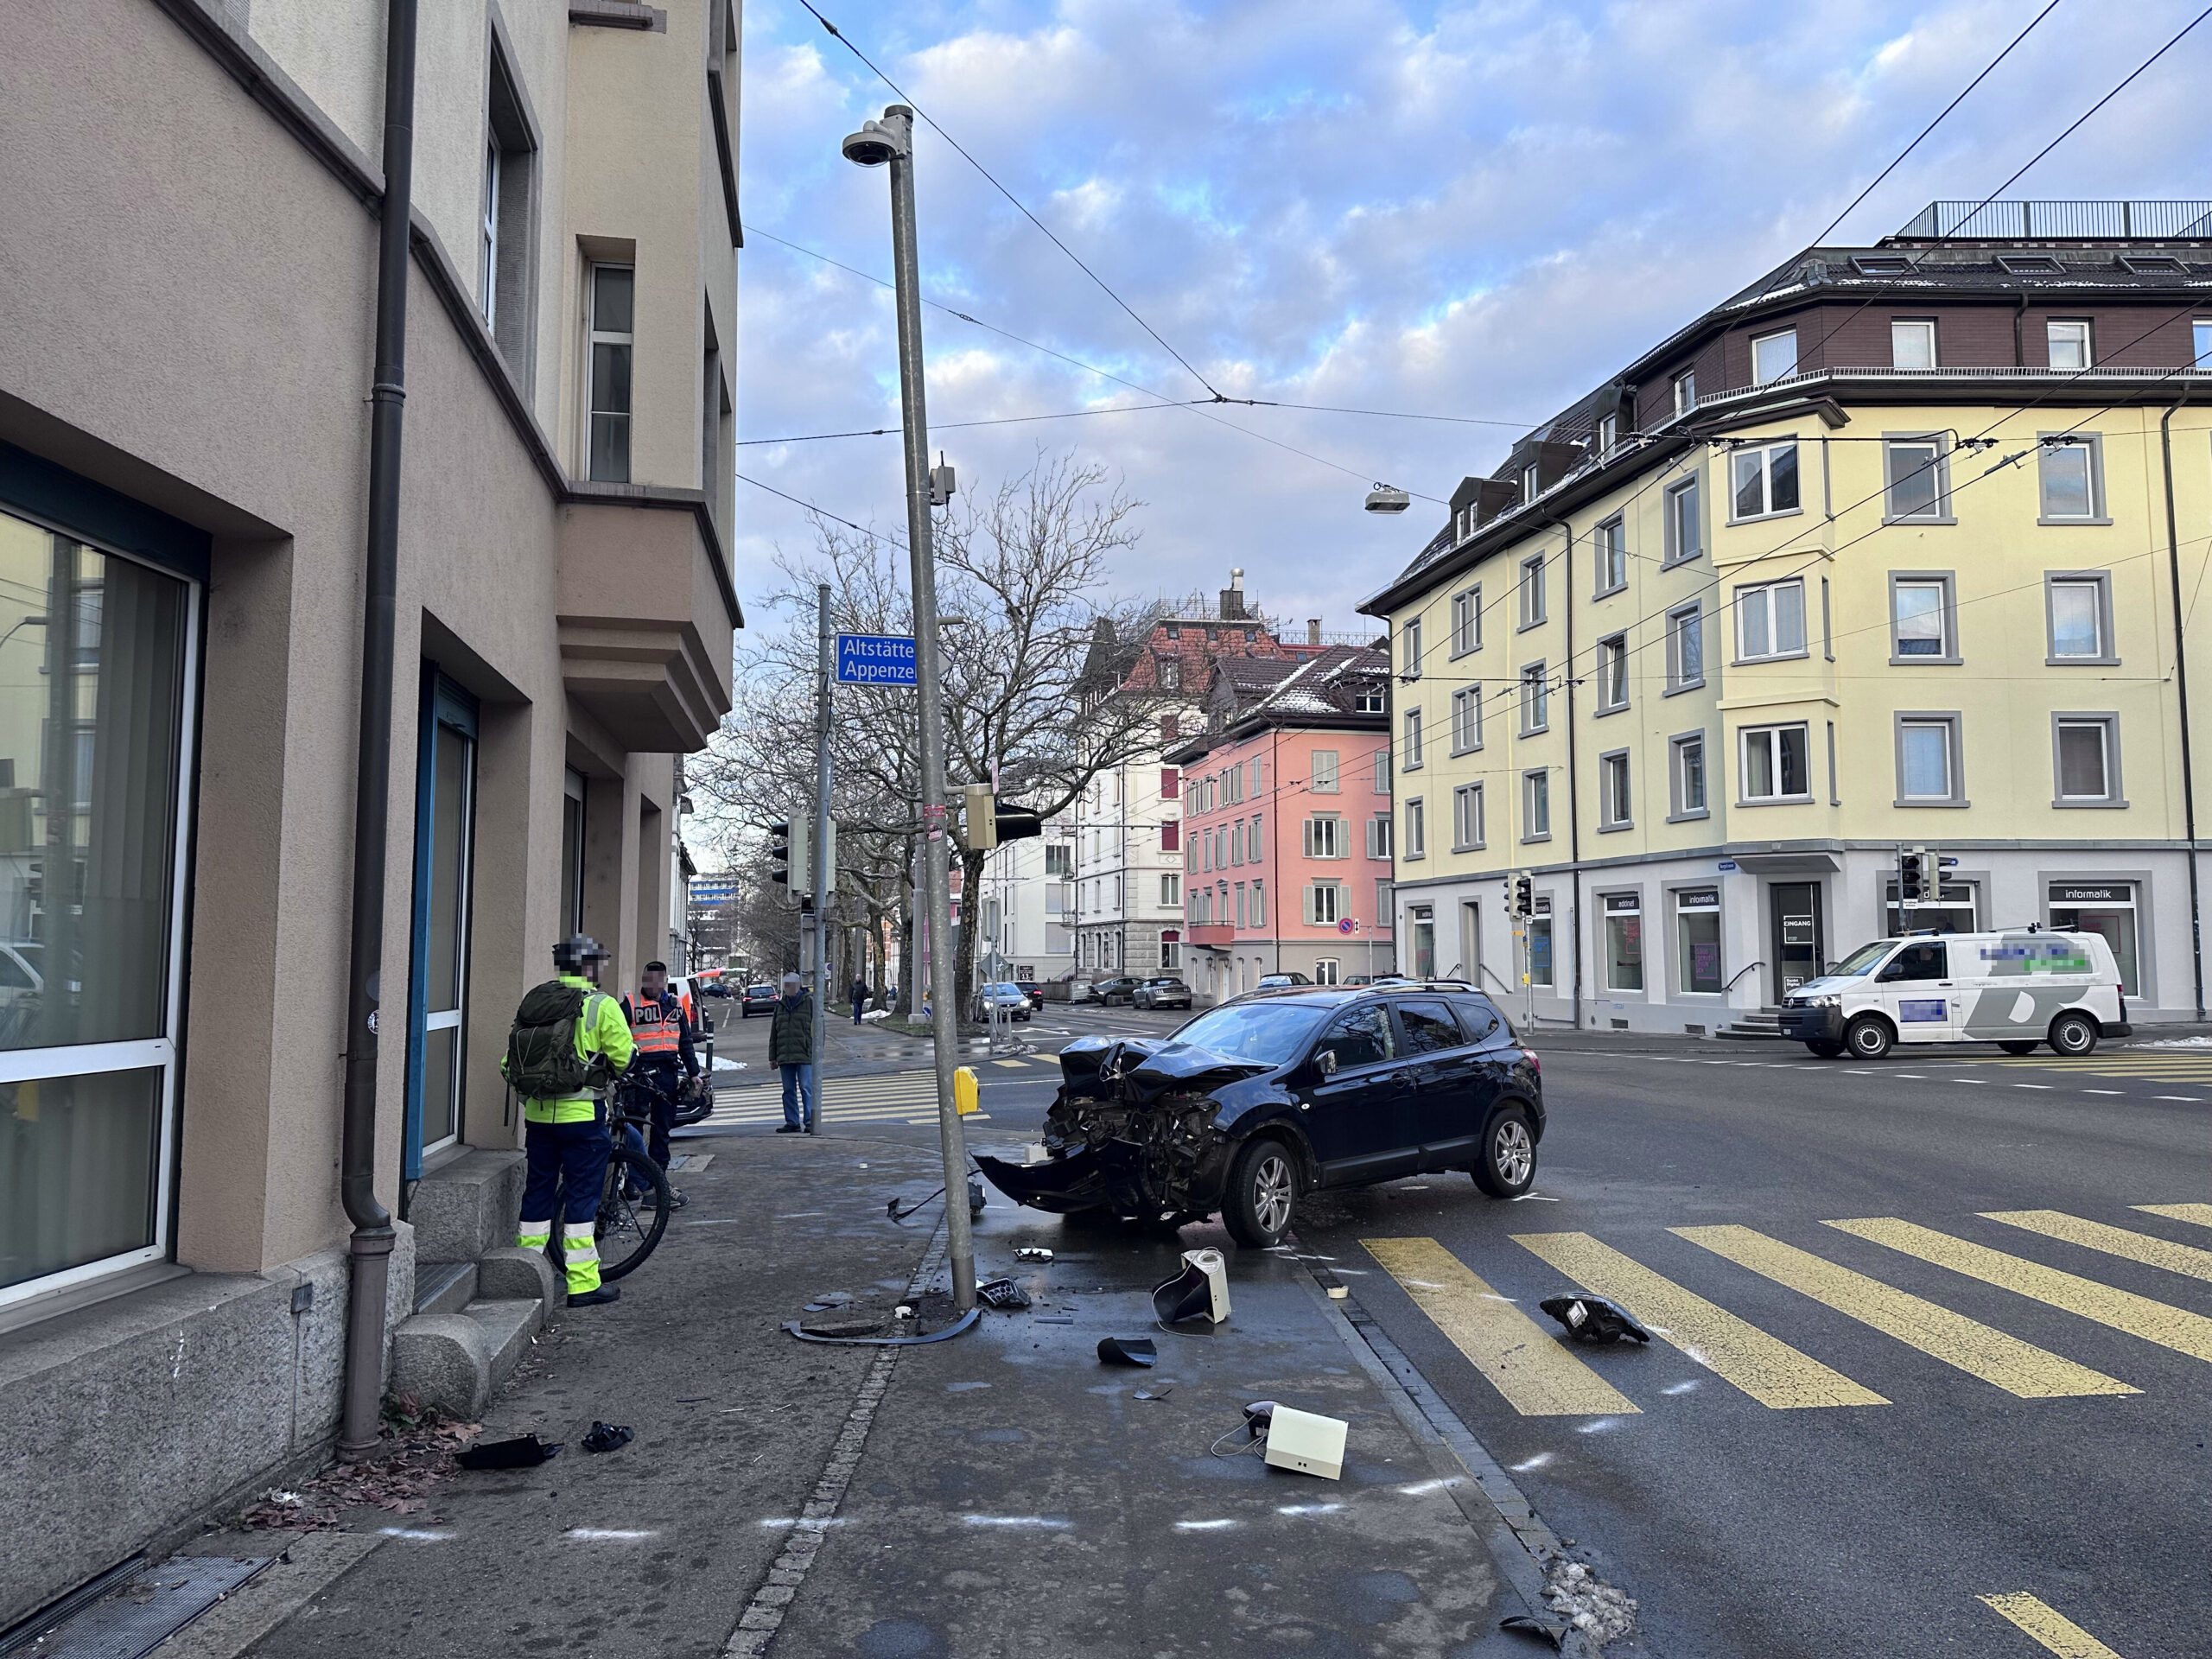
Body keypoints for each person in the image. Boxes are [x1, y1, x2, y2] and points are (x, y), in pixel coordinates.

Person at [505, 934, 634, 1306]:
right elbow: (624, 1058)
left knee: (538, 1192)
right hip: (583, 1117)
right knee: (581, 1197)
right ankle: (582, 1284)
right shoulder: (600, 1006)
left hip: (539, 1116)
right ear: (589, 967)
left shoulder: (536, 1003)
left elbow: (508, 1062)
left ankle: (527, 1272)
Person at [620, 959, 702, 1209]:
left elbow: (685, 1041)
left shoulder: (674, 1005)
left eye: (657, 981)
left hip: (667, 1074)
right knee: (633, 1128)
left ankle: (658, 1183)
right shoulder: (631, 1005)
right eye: (648, 980)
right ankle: (634, 1184)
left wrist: (694, 1072)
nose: (653, 986)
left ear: (664, 981)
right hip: (639, 1075)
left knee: (661, 1132)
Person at [770, 970, 817, 1133]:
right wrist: (773, 1057)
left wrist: (815, 1052)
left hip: (804, 1054)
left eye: (791, 985)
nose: (788, 988)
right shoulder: (780, 1006)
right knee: (788, 1090)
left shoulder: (809, 1003)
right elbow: (774, 1033)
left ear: (798, 986)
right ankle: (792, 1121)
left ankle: (810, 1121)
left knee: (806, 1088)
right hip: (785, 1055)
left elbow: (818, 1029)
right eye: (786, 985)